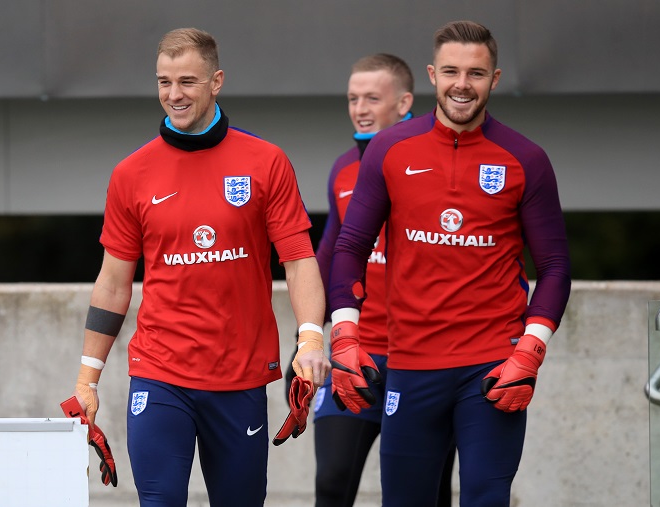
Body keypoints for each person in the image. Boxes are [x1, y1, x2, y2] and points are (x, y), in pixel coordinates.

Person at [65, 27, 330, 507]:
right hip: (160, 372)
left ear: (216, 81)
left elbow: (298, 262)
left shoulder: (266, 162)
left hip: (241, 377)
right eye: (163, 82)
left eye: (187, 81)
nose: (173, 94)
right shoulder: (131, 174)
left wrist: (311, 338)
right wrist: (87, 380)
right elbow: (112, 283)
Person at [327, 20, 571, 507]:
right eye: (452, 72)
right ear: (433, 75)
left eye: (476, 73)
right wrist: (345, 335)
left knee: (485, 496)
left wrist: (530, 351)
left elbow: (555, 266)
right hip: (411, 365)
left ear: (494, 79)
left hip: (492, 367)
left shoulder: (527, 158)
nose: (463, 85)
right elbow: (350, 246)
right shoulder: (389, 150)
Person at [293, 53, 455, 506]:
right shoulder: (344, 169)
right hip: (355, 351)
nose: (360, 108)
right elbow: (328, 252)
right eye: (352, 98)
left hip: (423, 358)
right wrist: (307, 337)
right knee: (332, 481)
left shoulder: (435, 159)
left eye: (372, 98)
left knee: (427, 493)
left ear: (405, 102)